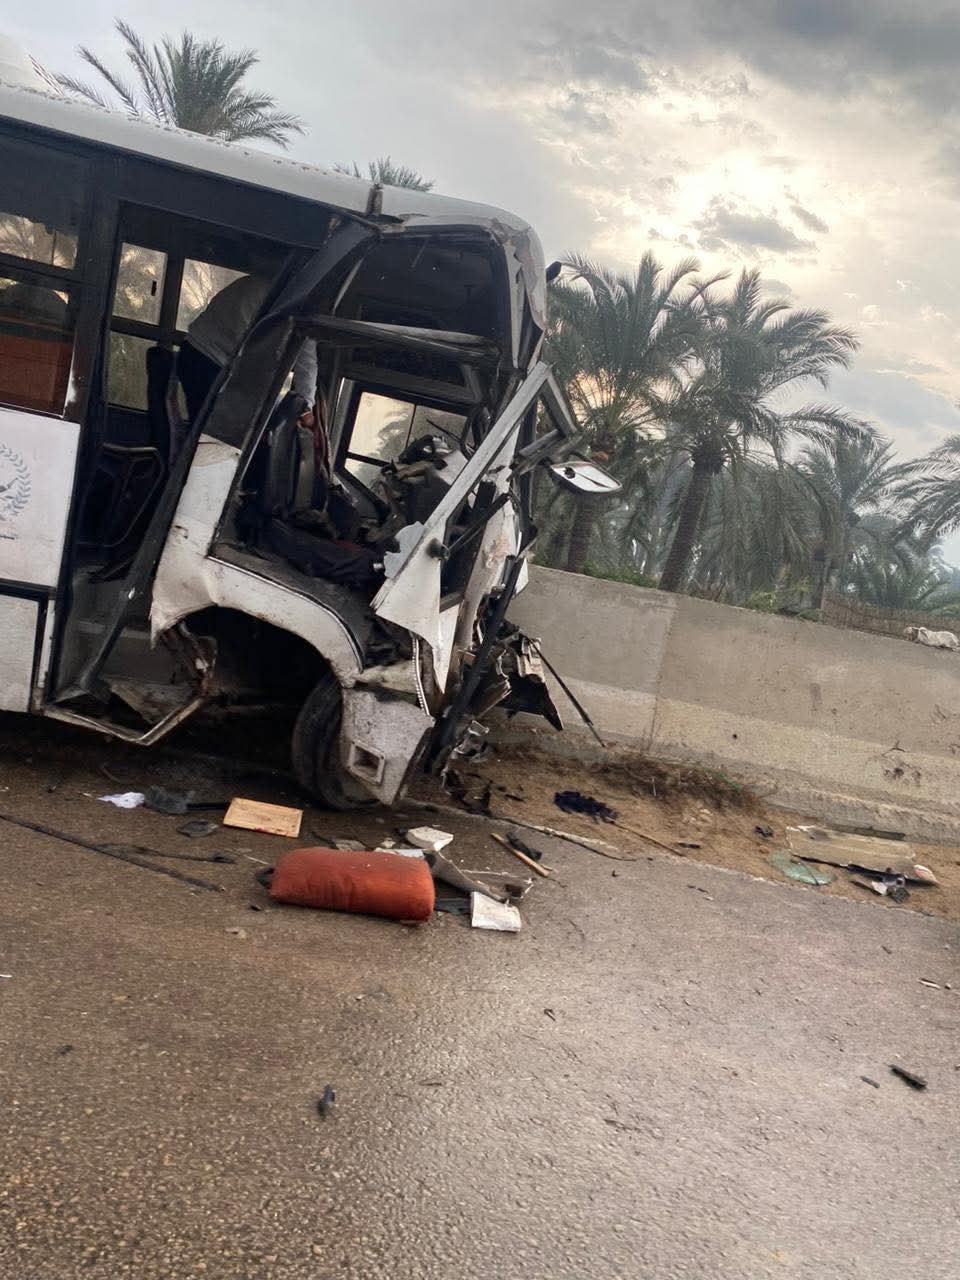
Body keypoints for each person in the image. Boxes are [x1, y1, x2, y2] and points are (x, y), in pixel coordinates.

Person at [178, 273, 317, 422]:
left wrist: (306, 406)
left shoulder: (303, 309)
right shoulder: (255, 291)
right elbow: (250, 353)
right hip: (203, 354)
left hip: (224, 362)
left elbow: (307, 359)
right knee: (207, 422)